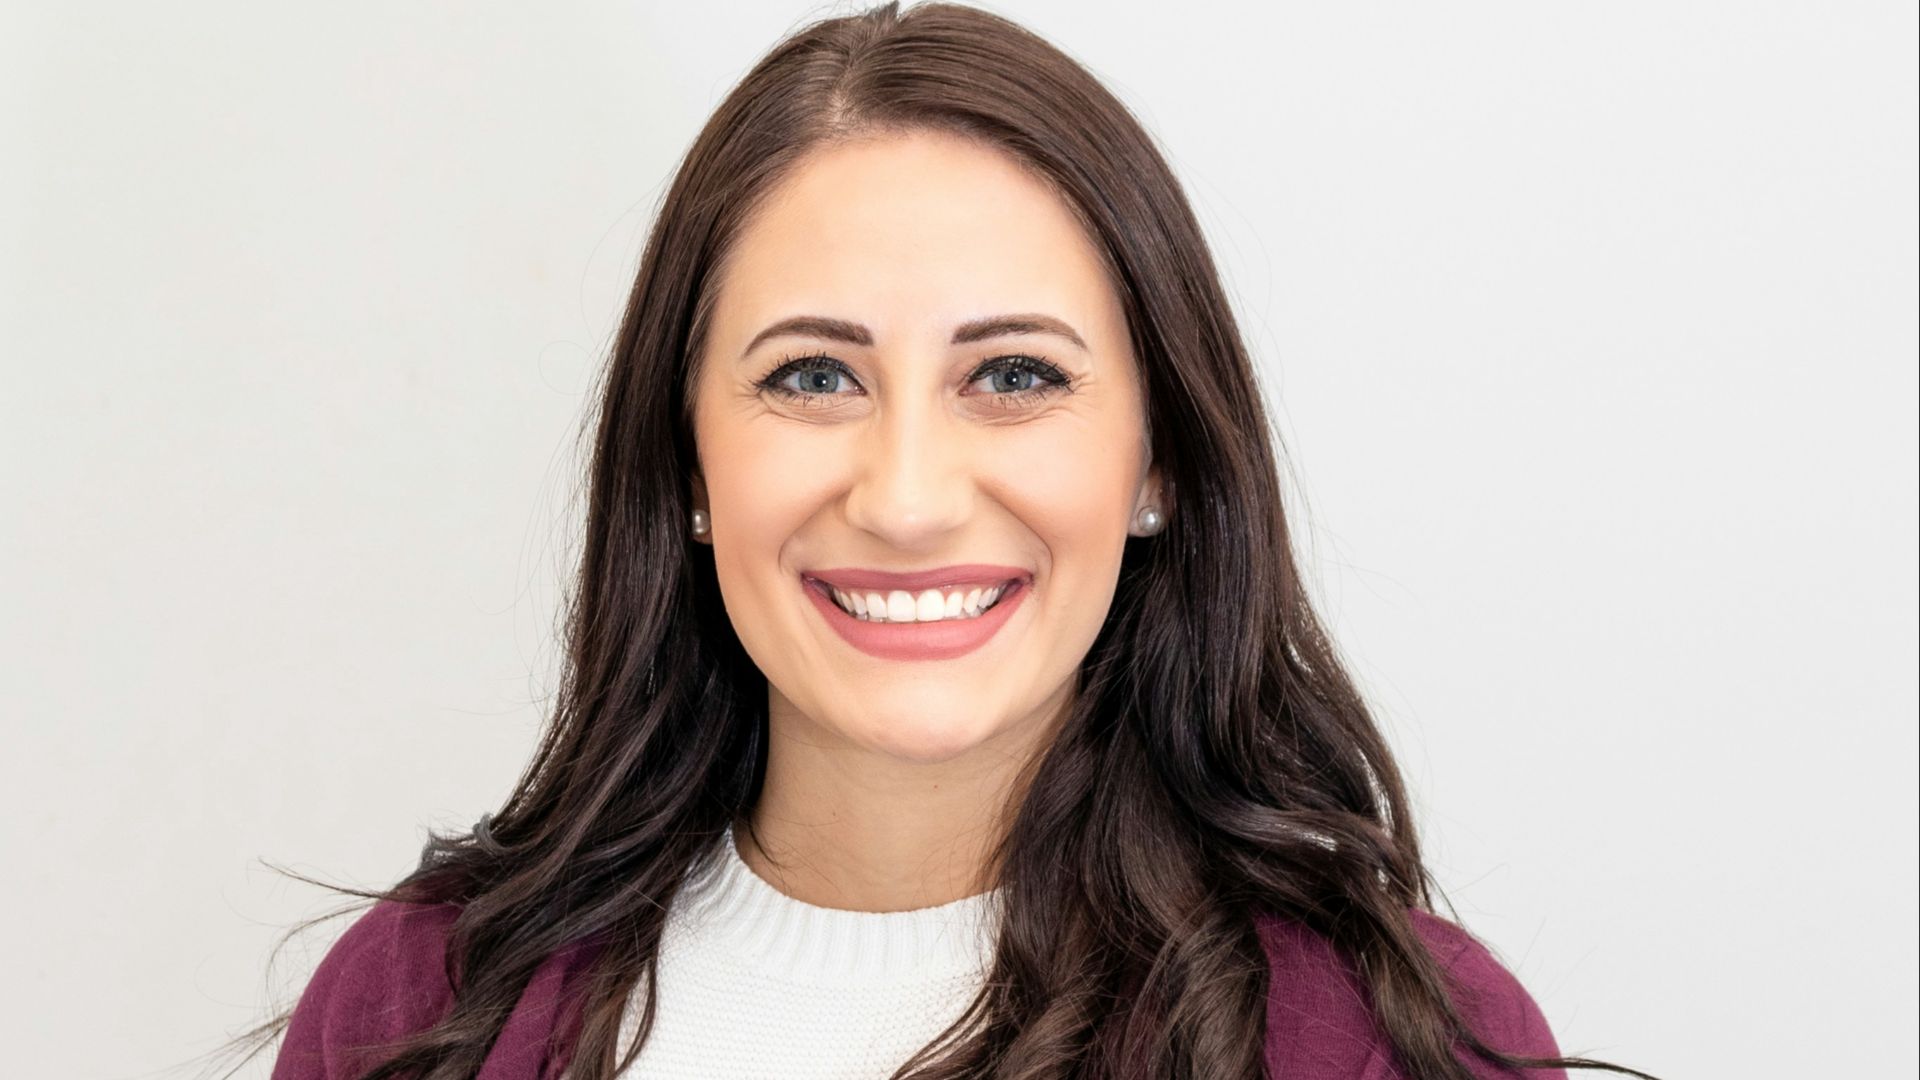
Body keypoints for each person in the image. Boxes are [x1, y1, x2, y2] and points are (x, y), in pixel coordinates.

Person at [242, 4, 1665, 1078]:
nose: (908, 496)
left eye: (1016, 376)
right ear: (685, 460)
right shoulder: (413, 1007)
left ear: (1156, 459)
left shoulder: (1386, 1042)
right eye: (811, 377)